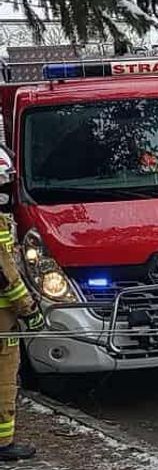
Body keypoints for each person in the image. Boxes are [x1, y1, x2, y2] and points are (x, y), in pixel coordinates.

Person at [0, 149, 42, 461]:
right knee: (4, 381)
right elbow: (6, 276)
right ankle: (3, 445)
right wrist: (29, 310)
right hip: (3, 322)